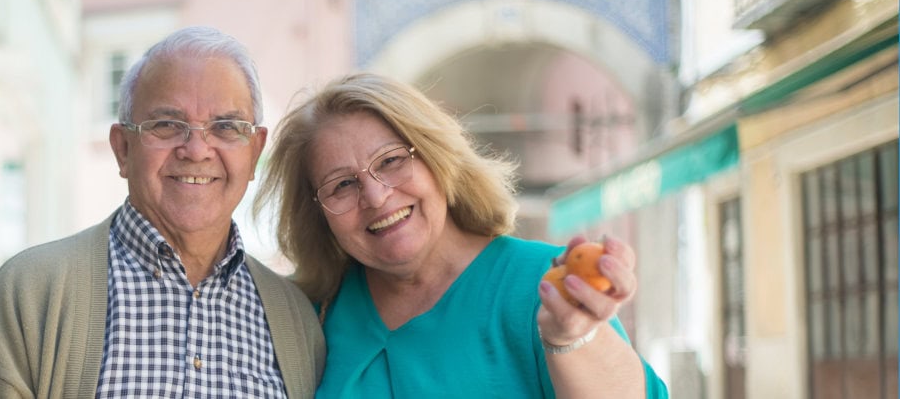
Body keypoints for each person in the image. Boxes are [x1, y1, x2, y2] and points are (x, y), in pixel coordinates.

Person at [0, 26, 325, 398]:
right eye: (167, 125)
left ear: (255, 151)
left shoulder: (296, 322)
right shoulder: (32, 292)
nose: (196, 149)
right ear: (123, 148)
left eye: (225, 127)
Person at [253, 73, 668, 398]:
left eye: (393, 160)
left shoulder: (546, 286)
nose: (376, 196)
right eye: (342, 185)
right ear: (317, 214)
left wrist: (573, 339)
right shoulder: (310, 315)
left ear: (437, 159)